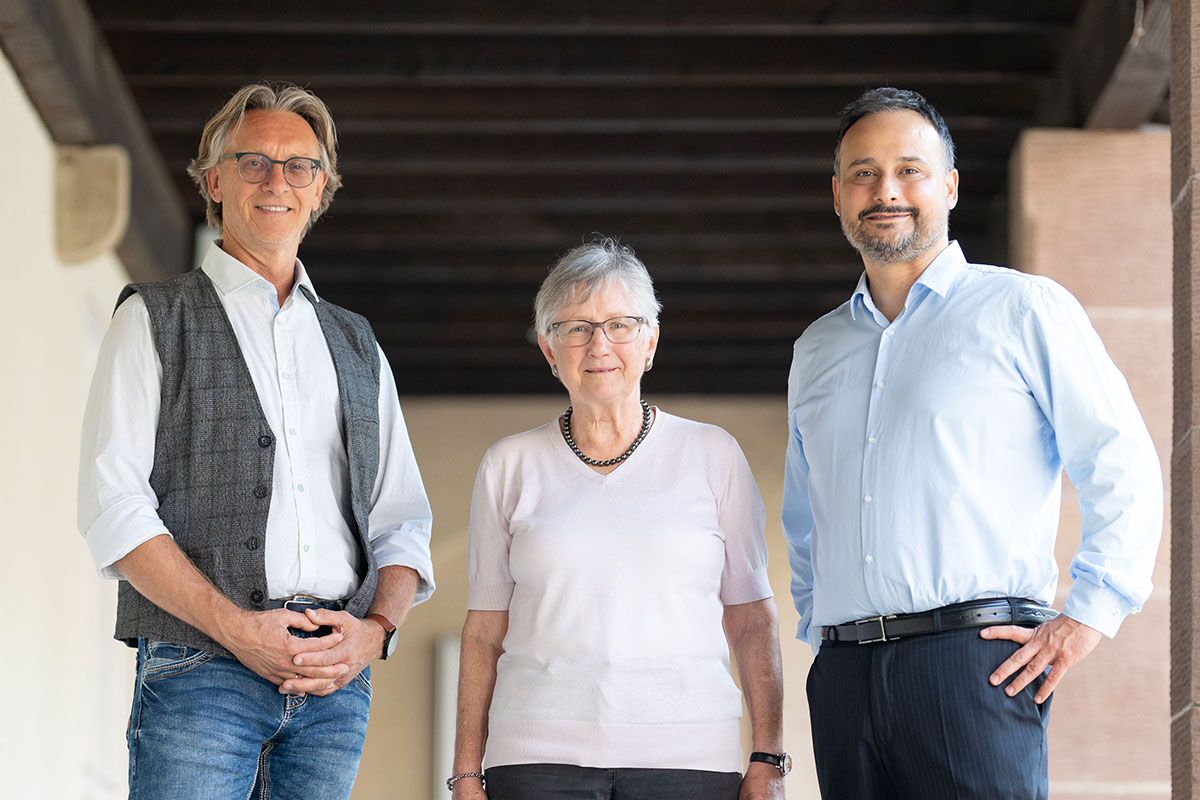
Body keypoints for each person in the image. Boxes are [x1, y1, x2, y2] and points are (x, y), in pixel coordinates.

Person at [782, 87, 1163, 799]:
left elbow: (1121, 461)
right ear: (837, 195)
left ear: (950, 185)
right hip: (844, 678)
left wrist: (1088, 614)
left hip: (974, 664)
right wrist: (824, 631)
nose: (885, 190)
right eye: (863, 173)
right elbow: (806, 515)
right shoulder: (817, 348)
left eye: (909, 169)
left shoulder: (1023, 310)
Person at [77, 82, 435, 799]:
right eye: (253, 161)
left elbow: (401, 521)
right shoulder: (152, 320)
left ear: (321, 189)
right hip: (199, 670)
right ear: (214, 179)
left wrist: (374, 634)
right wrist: (237, 630)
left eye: (299, 165)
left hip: (336, 683)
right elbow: (113, 508)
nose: (277, 180)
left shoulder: (357, 343)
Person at [448, 238, 787, 800]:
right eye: (574, 327)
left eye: (620, 324)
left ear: (651, 341)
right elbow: (484, 632)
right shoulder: (509, 464)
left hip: (691, 759)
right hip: (535, 759)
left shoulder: (713, 454)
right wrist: (464, 773)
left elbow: (752, 617)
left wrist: (769, 758)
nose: (598, 344)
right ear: (548, 350)